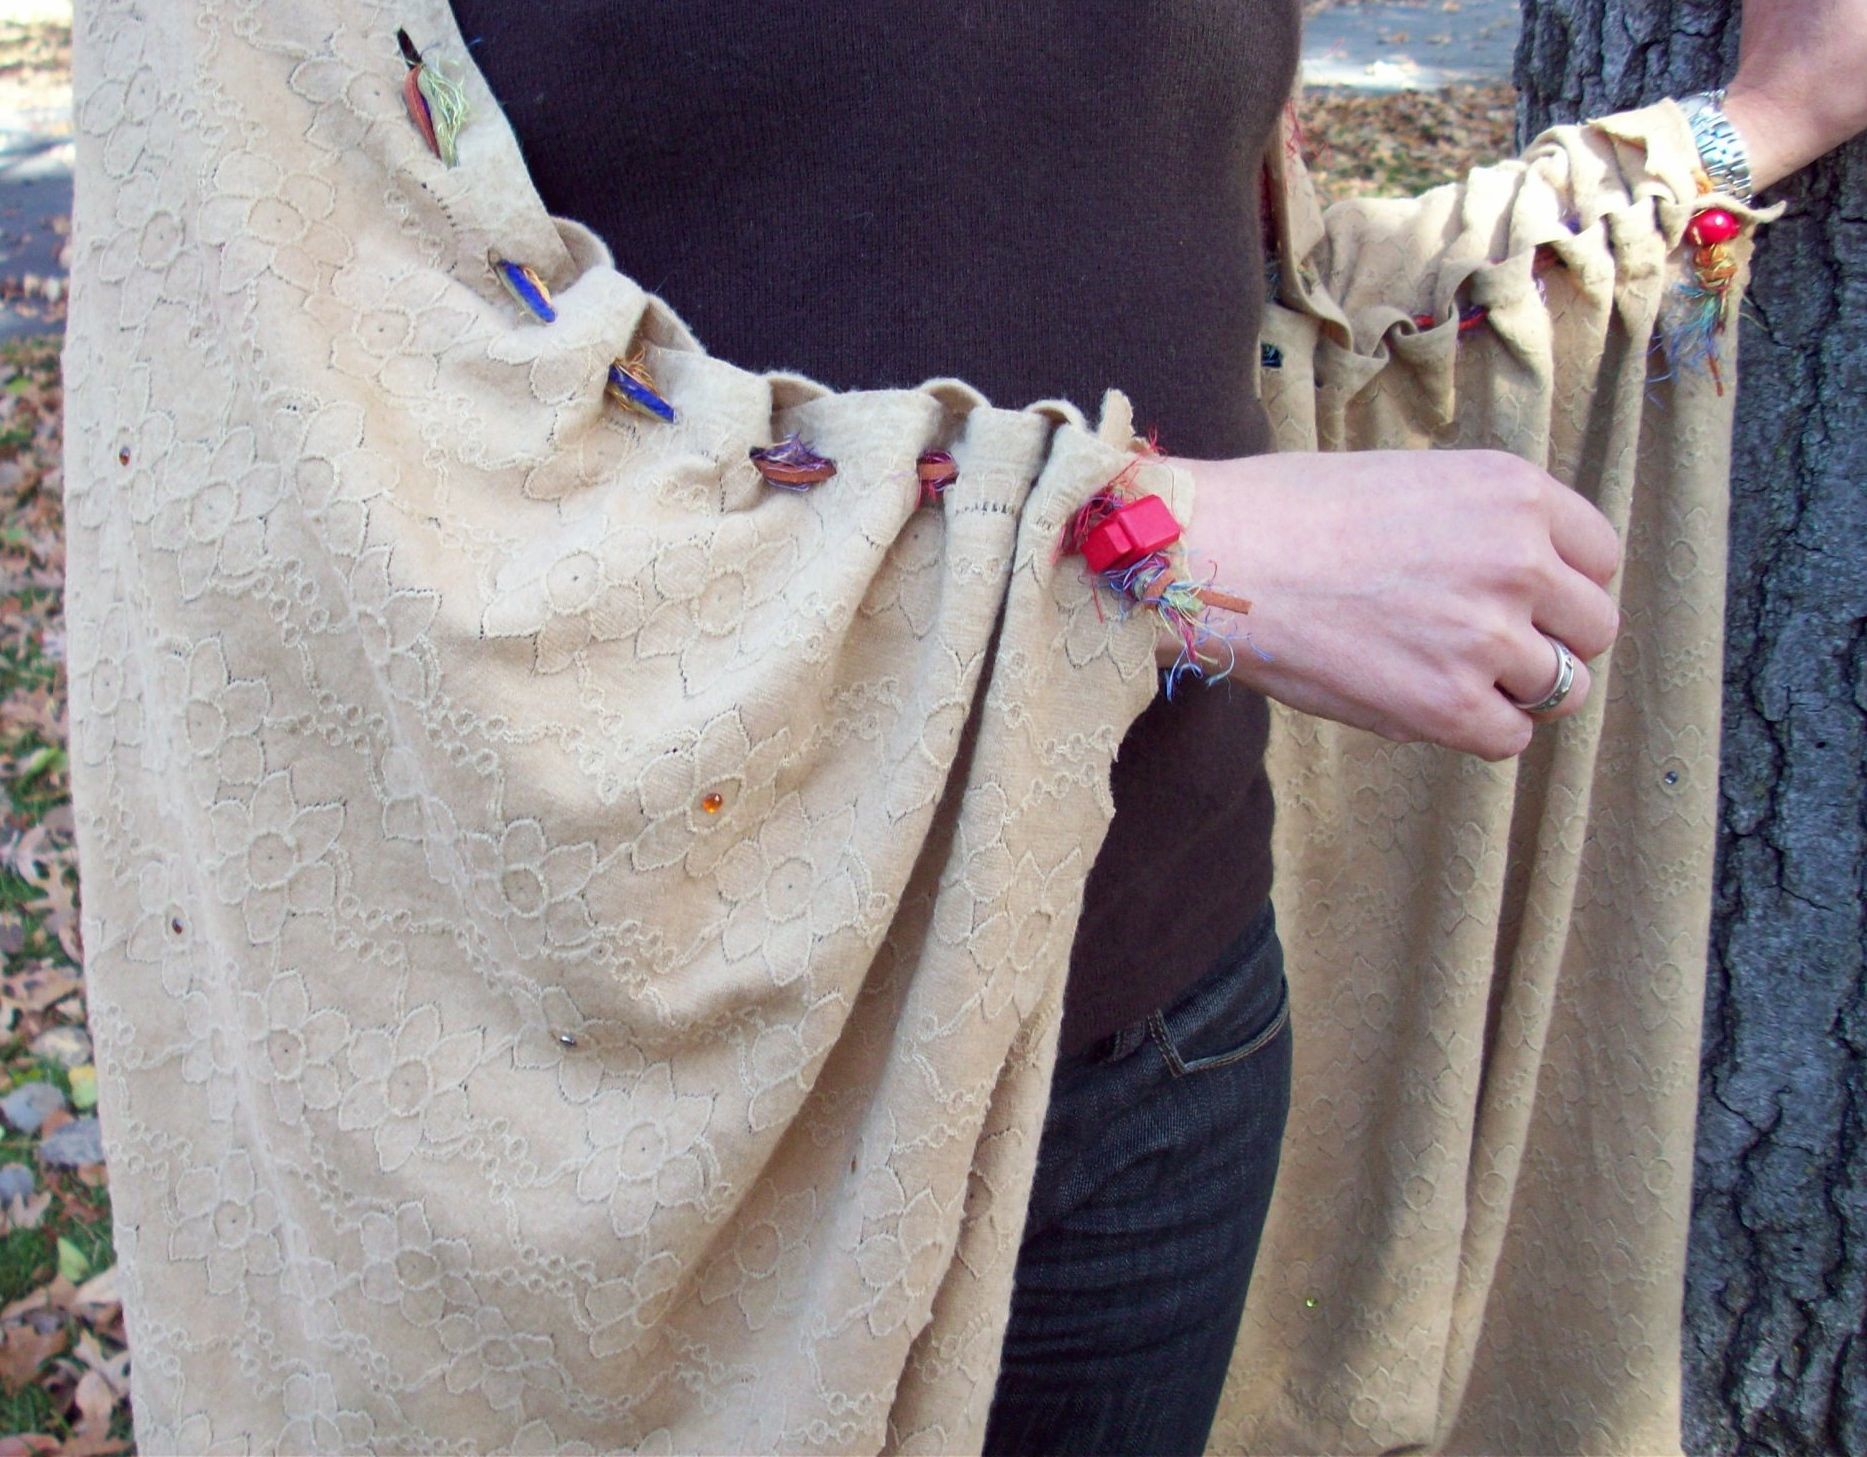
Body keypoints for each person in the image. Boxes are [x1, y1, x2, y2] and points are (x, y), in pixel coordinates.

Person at [441, 2, 1867, 1452]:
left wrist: (1752, 128)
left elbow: (1237, 282)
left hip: (1164, 1048)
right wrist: (1164, 543)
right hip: (648, 1102)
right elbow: (370, 403)